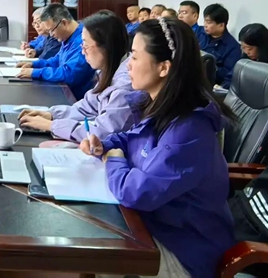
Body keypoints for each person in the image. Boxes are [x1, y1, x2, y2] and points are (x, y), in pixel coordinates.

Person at [82, 18, 236, 278]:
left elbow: (136, 193)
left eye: (135, 57)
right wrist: (104, 145)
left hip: (184, 253)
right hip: (151, 227)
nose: (128, 65)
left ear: (164, 67)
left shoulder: (189, 129)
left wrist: (115, 159)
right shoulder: (160, 106)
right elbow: (129, 139)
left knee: (96, 256)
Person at [19, 10, 140, 141]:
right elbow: (88, 107)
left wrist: (51, 125)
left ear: (107, 46)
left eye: (86, 46)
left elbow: (103, 133)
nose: (82, 52)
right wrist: (51, 114)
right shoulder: (107, 69)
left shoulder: (125, 84)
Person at [15, 3, 95, 100]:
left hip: (76, 98)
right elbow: (57, 60)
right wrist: (34, 64)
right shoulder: (67, 36)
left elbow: (69, 74)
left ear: (63, 23)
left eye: (52, 30)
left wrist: (36, 73)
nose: (51, 35)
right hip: (64, 91)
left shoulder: (82, 39)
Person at [202, 3, 241, 89]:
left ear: (221, 25)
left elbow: (227, 75)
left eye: (208, 22)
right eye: (204, 21)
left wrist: (209, 67)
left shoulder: (232, 47)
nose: (205, 25)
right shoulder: (201, 35)